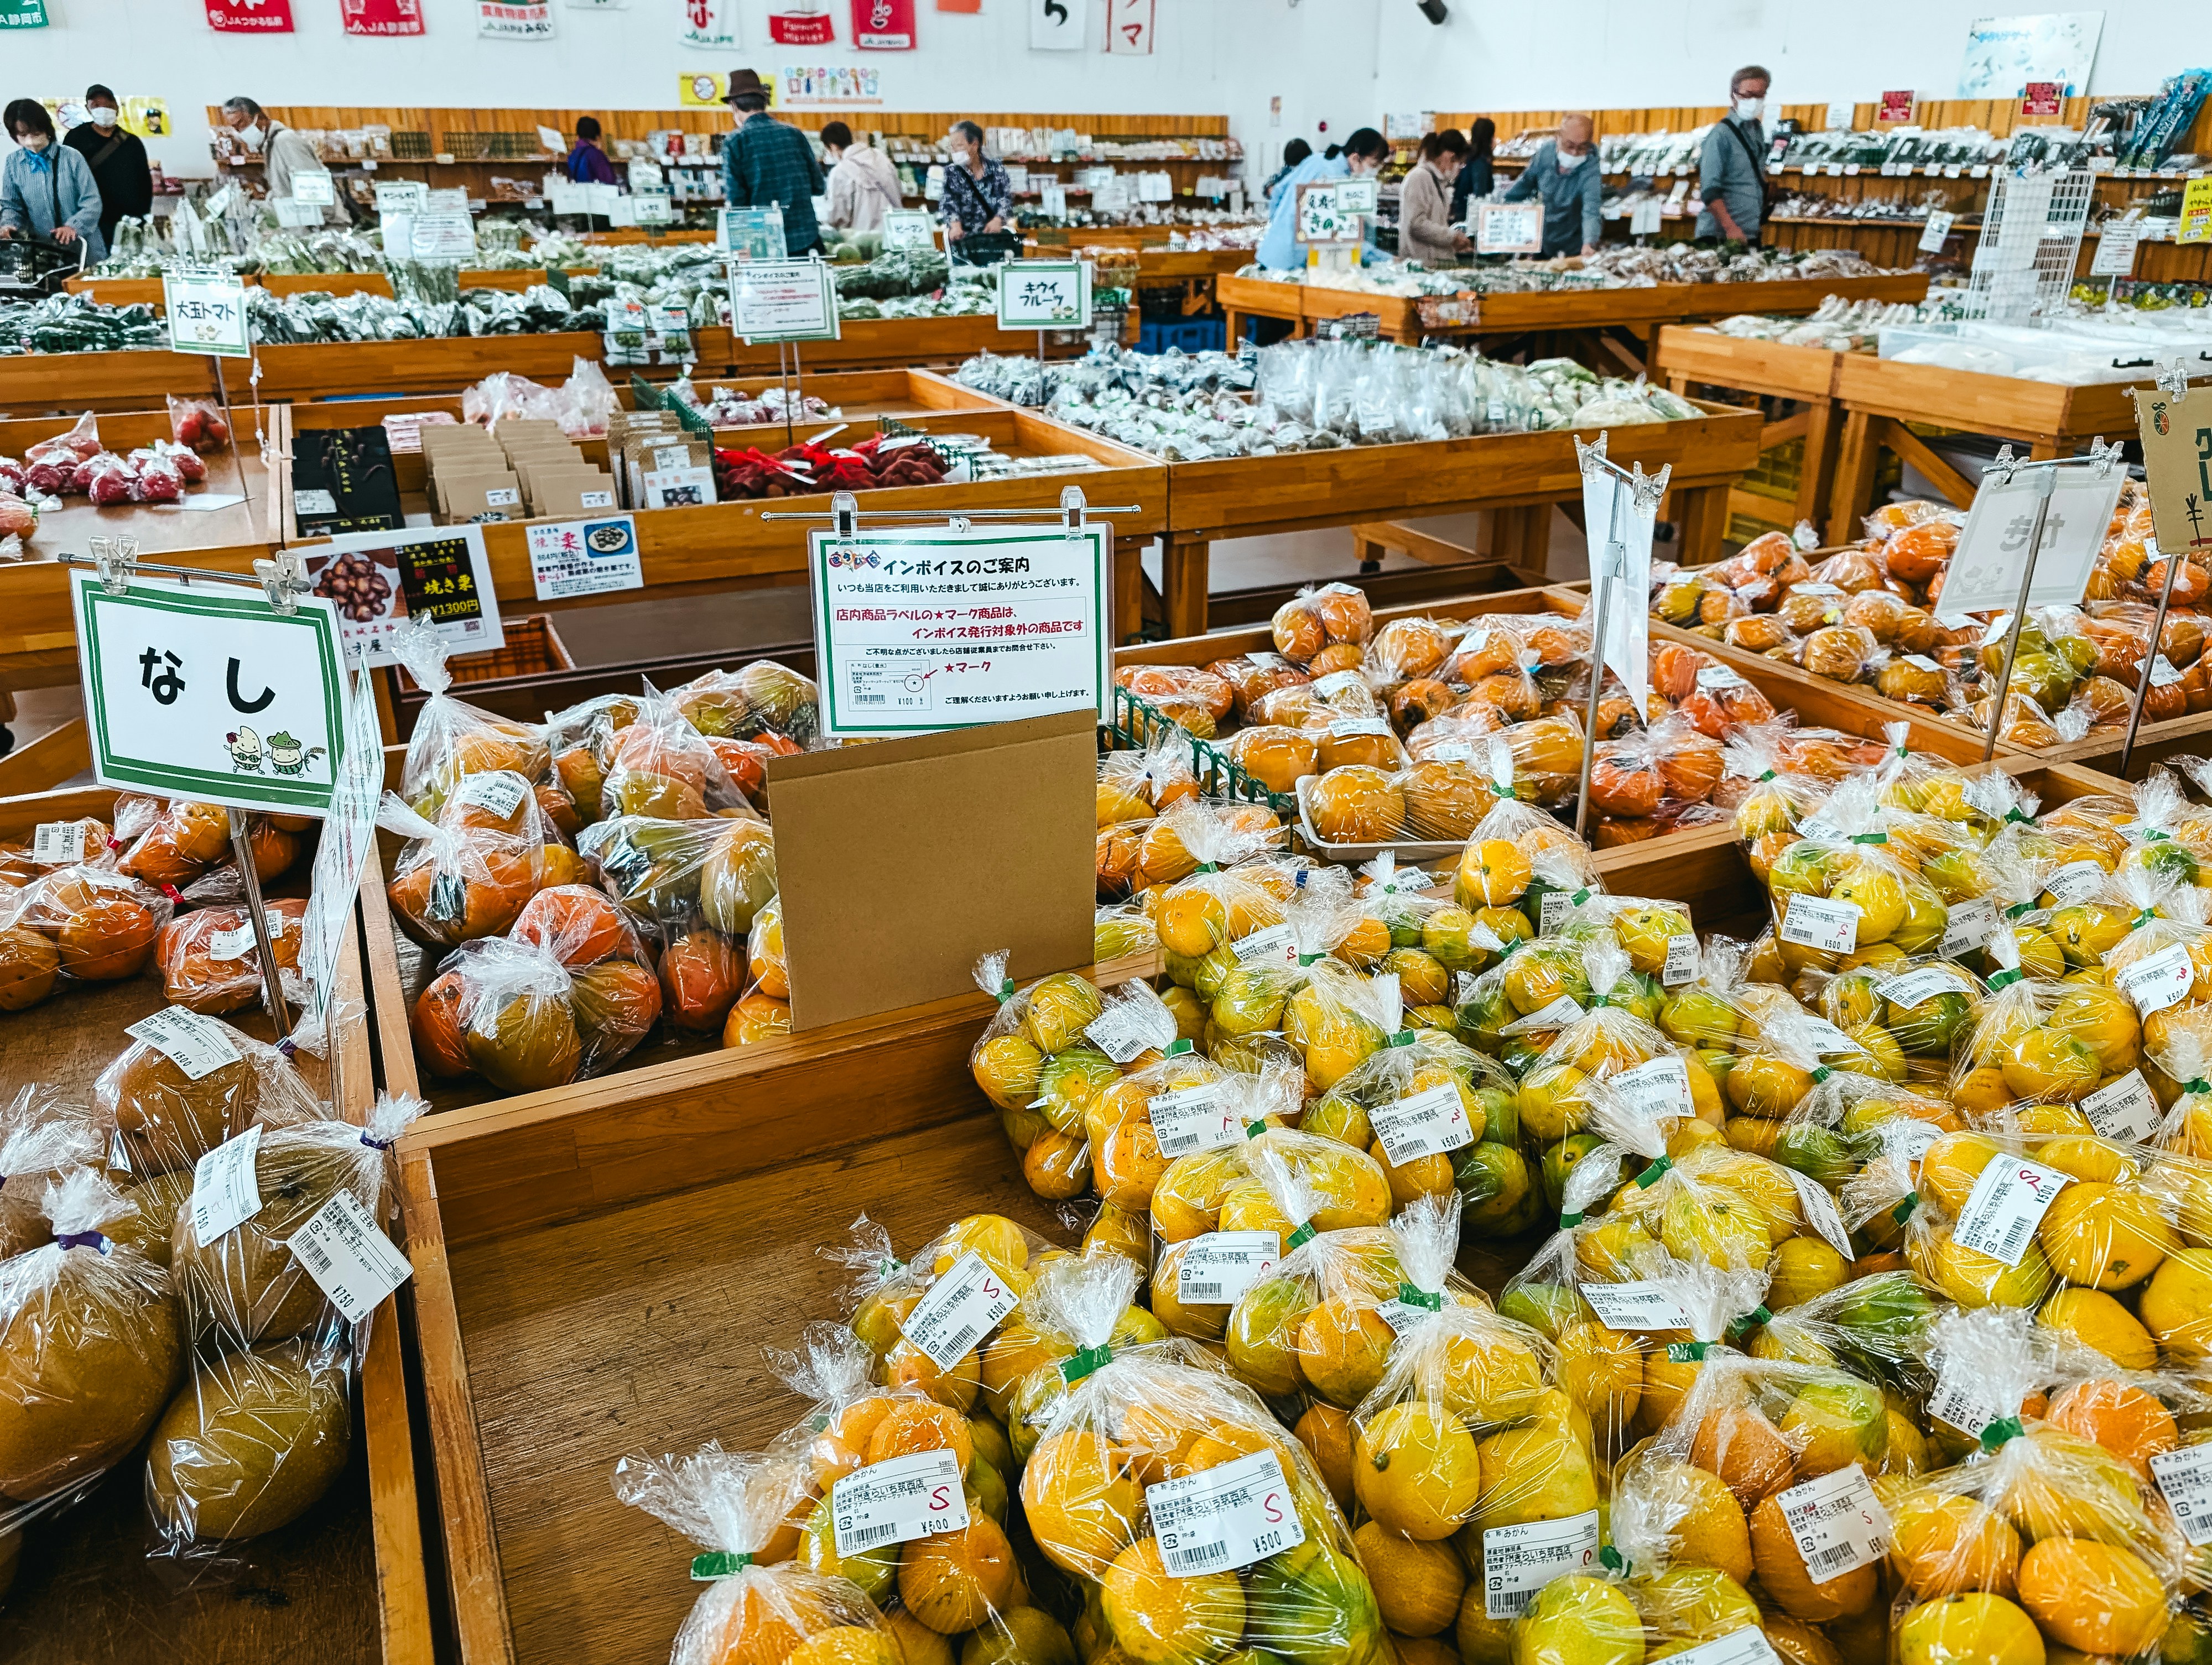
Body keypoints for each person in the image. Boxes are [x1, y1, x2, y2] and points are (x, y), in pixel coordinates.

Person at [1255, 124, 1389, 272]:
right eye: (1373, 165)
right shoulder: (1335, 178)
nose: (1374, 172)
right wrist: (1383, 258)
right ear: (1356, 158)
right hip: (1292, 263)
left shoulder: (1316, 160)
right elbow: (1339, 233)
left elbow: (1277, 191)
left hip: (1273, 252)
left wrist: (1279, 227)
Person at [721, 69, 826, 256]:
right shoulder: (794, 134)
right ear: (764, 103)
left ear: (735, 107)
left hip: (763, 246)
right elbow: (819, 186)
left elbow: (737, 202)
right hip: (806, 239)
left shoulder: (735, 141)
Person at [1, 99, 106, 263]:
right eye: (23, 135)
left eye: (36, 134)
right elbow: (12, 206)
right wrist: (9, 225)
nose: (31, 141)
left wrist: (73, 227)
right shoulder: (14, 163)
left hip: (83, 250)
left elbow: (92, 202)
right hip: (42, 254)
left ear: (47, 129)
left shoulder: (71, 157)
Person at [1498, 112, 1601, 257]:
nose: (1574, 153)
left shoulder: (1590, 166)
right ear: (1558, 137)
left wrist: (1589, 243)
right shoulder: (1545, 153)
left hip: (1573, 245)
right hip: (1541, 239)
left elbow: (1591, 209)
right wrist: (1500, 208)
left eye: (1582, 147)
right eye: (1569, 146)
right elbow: (1525, 183)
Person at [221, 96, 337, 223]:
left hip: (320, 230)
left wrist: (318, 231)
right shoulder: (270, 146)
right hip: (303, 225)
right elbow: (282, 191)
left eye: (241, 125)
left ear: (258, 118)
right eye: (235, 128)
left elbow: (314, 189)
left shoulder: (285, 141)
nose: (239, 133)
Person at [64, 86, 152, 251]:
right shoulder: (76, 138)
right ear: (87, 109)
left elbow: (145, 183)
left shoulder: (132, 142)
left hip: (129, 222)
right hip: (92, 222)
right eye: (96, 105)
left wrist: (142, 218)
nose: (103, 110)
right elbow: (67, 179)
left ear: (117, 107)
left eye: (108, 105)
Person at [1698, 64, 1771, 243]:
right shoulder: (1720, 136)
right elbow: (1710, 191)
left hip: (1749, 232)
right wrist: (1731, 228)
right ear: (1734, 96)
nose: (1754, 101)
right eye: (1748, 95)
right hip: (1721, 236)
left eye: (1759, 95)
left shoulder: (1757, 131)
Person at [939, 121, 1013, 258]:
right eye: (952, 146)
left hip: (993, 239)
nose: (955, 151)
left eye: (959, 145)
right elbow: (948, 202)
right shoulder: (952, 172)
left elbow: (1005, 198)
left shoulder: (996, 169)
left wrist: (998, 220)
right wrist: (955, 226)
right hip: (963, 240)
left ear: (974, 145)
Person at [1398, 129, 1470, 264]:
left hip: (1432, 263)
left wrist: (1452, 245)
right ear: (1450, 156)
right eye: (1460, 163)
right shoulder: (1420, 177)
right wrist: (1452, 237)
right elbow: (1417, 225)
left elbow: (1434, 223)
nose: (1459, 169)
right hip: (1420, 264)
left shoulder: (1436, 180)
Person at [820, 120, 902, 233]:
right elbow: (898, 190)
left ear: (832, 146)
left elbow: (838, 216)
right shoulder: (882, 158)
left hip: (863, 240)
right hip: (894, 232)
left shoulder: (840, 172)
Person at [1449, 116, 1496, 228]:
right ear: (1489, 138)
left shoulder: (1469, 158)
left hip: (1461, 212)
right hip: (1470, 218)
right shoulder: (1480, 162)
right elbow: (1479, 195)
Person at [565, 116, 617, 186]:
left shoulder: (573, 154)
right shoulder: (595, 154)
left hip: (579, 194)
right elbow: (609, 181)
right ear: (597, 136)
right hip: (594, 195)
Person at [1262, 138, 1311, 202]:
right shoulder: (1288, 170)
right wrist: (1270, 187)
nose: (1296, 168)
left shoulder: (1314, 170)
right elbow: (1275, 180)